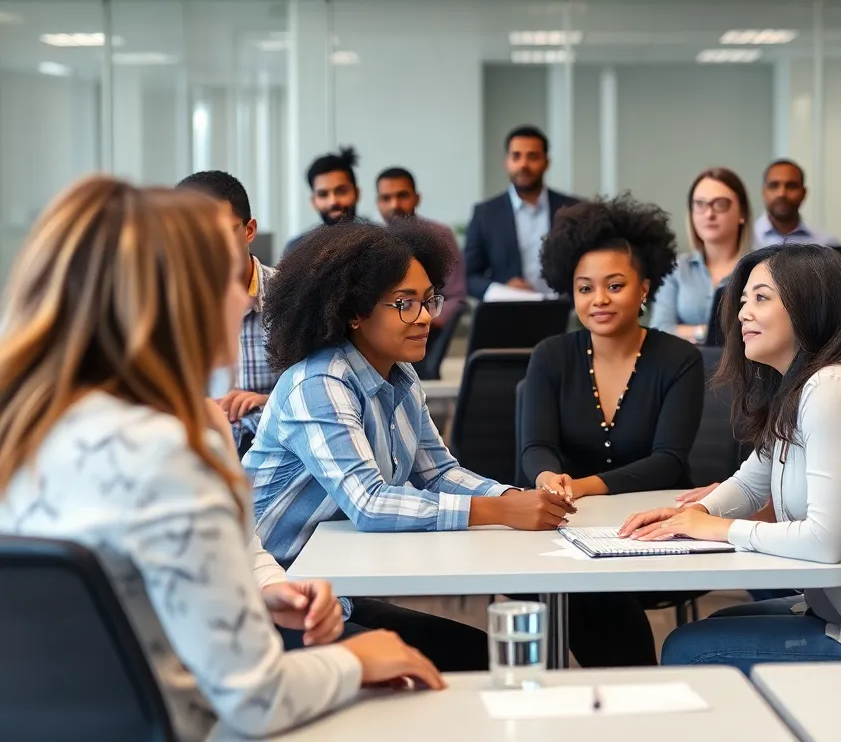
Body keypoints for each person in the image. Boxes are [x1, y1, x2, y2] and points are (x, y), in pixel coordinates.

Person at [0, 177, 446, 741]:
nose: (243, 297)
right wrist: (361, 660)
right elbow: (255, 698)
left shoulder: (27, 428)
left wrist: (260, 588)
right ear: (176, 297)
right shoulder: (170, 453)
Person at [244, 217, 575, 671]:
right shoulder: (319, 382)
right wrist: (500, 511)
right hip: (273, 601)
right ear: (354, 311)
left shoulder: (400, 373)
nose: (425, 317)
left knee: (477, 654)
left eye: (428, 301)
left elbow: (438, 472)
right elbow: (370, 503)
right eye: (405, 304)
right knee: (443, 665)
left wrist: (514, 497)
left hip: (335, 592)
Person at [621, 244, 841, 673]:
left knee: (691, 649)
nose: (743, 312)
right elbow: (750, 483)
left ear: (809, 307)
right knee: (720, 625)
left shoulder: (834, 387)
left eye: (761, 298)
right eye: (743, 300)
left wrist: (719, 528)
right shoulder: (803, 387)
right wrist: (693, 512)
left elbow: (824, 542)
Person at [521, 197, 704, 667]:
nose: (598, 300)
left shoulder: (678, 360)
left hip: (650, 531)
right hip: (561, 529)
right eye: (585, 288)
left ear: (644, 289)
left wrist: (577, 487)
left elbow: (669, 460)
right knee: (534, 580)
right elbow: (536, 446)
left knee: (594, 596)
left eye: (614, 285)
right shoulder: (550, 356)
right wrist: (547, 480)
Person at [177, 170, 277, 452]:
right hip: (200, 460)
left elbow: (326, 393)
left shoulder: (292, 297)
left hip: (279, 460)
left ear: (249, 231)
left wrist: (269, 400)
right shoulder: (168, 308)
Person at [463, 125, 580, 299]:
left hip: (567, 311)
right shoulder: (485, 214)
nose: (523, 165)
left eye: (532, 156)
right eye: (516, 156)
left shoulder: (574, 209)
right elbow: (469, 276)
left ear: (546, 162)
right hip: (509, 313)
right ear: (507, 162)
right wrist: (502, 290)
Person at [650, 167, 752, 342]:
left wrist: (685, 331)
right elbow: (659, 329)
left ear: (742, 212)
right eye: (700, 204)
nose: (709, 213)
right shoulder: (676, 268)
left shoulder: (759, 269)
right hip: (685, 366)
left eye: (720, 204)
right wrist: (706, 333)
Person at [375, 166, 467, 325]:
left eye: (402, 195)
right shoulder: (373, 242)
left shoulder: (439, 236)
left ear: (417, 198)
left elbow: (456, 297)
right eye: (386, 198)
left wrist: (422, 320)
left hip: (429, 330)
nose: (394, 205)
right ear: (378, 203)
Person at [284, 146, 365, 253]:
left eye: (341, 191)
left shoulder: (381, 243)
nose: (333, 201)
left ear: (357, 193)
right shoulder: (297, 250)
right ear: (314, 201)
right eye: (323, 194)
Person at [753, 159, 836, 247]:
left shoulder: (825, 243)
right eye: (774, 185)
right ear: (763, 192)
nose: (782, 193)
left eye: (791, 186)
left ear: (804, 193)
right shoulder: (746, 241)